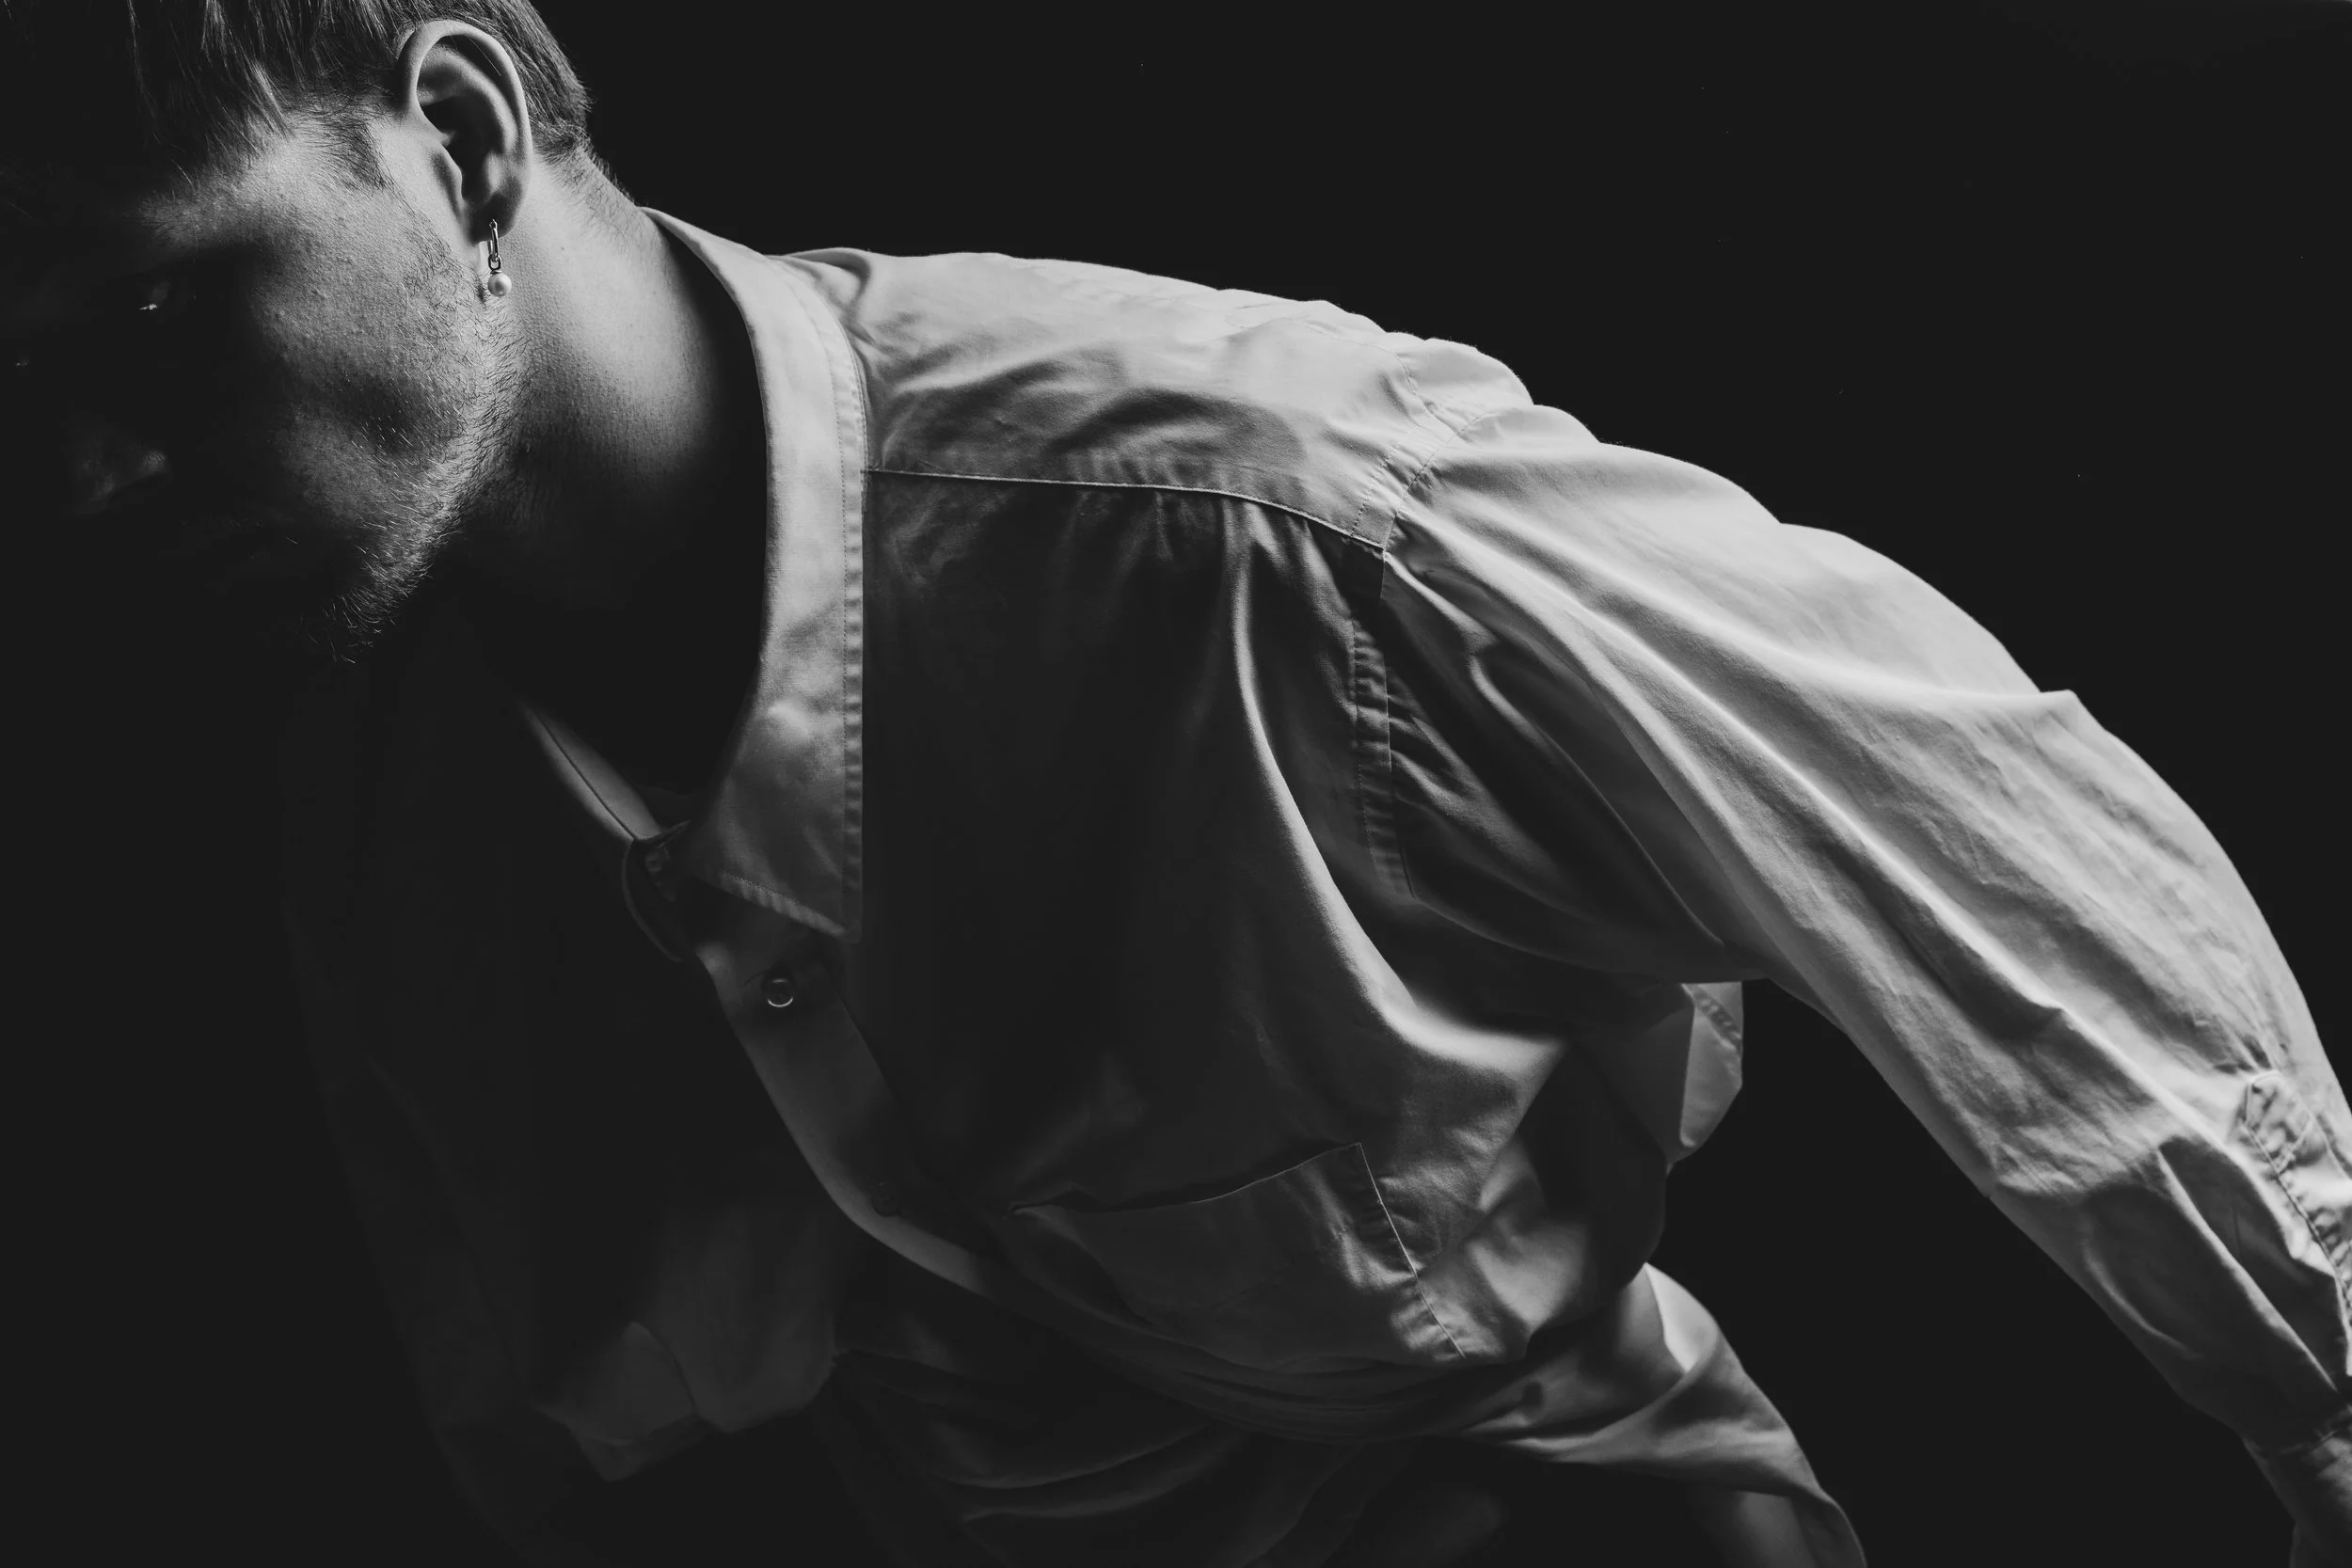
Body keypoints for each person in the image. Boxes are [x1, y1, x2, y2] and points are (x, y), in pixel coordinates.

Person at [5, 4, 2344, 1564]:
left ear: (462, 135)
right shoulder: (358, 751)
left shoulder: (1265, 522)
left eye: (147, 310)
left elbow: (2017, 885)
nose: (87, 475)